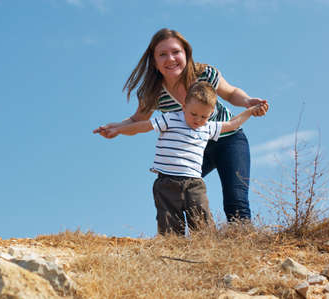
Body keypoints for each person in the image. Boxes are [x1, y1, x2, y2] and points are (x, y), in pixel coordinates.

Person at [93, 28, 269, 223]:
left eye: (176, 52)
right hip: (191, 148)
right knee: (173, 188)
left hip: (228, 140)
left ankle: (242, 242)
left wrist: (247, 101)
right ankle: (178, 238)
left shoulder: (205, 74)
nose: (171, 59)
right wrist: (116, 128)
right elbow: (137, 120)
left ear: (186, 54)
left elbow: (231, 92)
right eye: (162, 54)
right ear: (154, 61)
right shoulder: (154, 92)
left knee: (235, 199)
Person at [97, 81, 266, 235]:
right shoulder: (171, 119)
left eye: (204, 116)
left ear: (211, 114)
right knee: (170, 226)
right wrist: (119, 129)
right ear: (183, 106)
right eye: (194, 114)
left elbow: (232, 124)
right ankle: (174, 254)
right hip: (167, 182)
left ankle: (208, 253)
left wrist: (250, 111)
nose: (198, 120)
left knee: (203, 225)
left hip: (194, 184)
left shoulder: (207, 127)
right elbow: (143, 126)